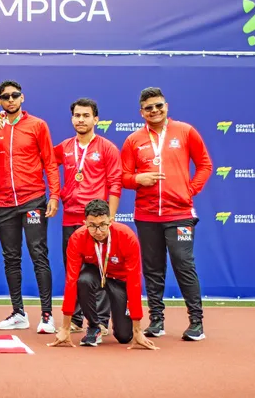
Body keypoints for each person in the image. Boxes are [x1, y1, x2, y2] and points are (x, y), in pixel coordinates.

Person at [121, 87, 212, 341]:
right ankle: (157, 320)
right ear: (141, 112)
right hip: (147, 215)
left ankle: (196, 322)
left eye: (158, 105)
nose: (154, 111)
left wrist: (190, 189)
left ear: (166, 106)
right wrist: (139, 178)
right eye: (148, 108)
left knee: (184, 264)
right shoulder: (133, 140)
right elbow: (124, 177)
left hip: (180, 213)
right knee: (153, 269)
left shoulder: (185, 131)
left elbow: (204, 164)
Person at [0, 80, 60, 333]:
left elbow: (49, 161)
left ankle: (47, 315)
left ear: (22, 98)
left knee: (39, 255)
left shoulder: (37, 125)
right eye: (5, 97)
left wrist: (55, 194)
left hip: (33, 199)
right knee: (11, 259)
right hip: (4, 203)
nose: (10, 99)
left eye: (15, 95)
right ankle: (19, 313)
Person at [47, 199, 157, 350]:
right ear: (85, 222)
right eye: (92, 226)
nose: (98, 231)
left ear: (110, 221)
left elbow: (134, 281)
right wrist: (65, 327)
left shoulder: (127, 237)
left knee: (124, 337)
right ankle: (94, 327)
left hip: (120, 280)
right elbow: (71, 280)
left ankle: (128, 329)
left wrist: (137, 330)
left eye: (103, 225)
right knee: (82, 280)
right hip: (95, 274)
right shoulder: (77, 238)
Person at [54, 98, 122, 335]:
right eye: (77, 115)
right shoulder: (64, 147)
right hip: (70, 218)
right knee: (72, 271)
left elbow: (115, 184)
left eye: (85, 115)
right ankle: (75, 318)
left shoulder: (107, 148)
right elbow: (44, 161)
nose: (80, 119)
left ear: (96, 119)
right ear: (72, 118)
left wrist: (108, 220)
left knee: (98, 271)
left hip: (96, 223)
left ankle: (101, 321)